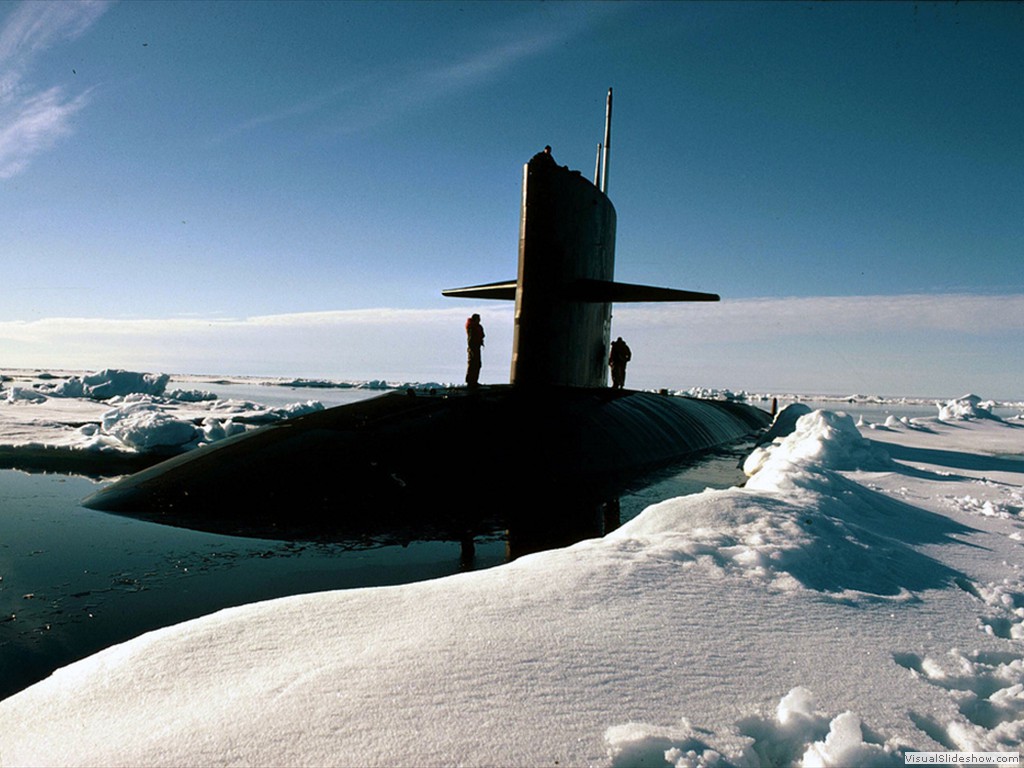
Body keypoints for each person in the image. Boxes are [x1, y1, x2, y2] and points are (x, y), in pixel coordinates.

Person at [465, 313, 485, 388]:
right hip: (474, 348)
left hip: (476, 347)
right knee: (474, 364)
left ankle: (473, 381)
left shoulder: (475, 326)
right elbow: (470, 339)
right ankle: (471, 381)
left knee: (476, 364)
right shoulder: (473, 327)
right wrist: (472, 348)